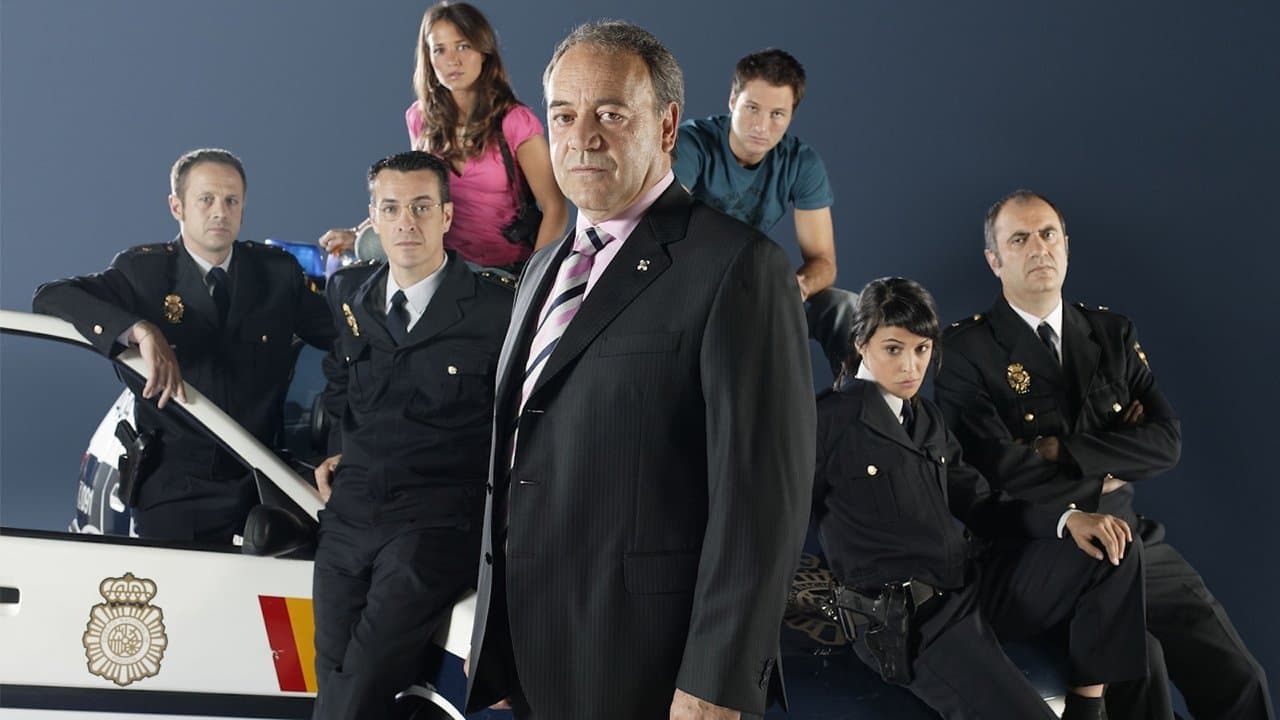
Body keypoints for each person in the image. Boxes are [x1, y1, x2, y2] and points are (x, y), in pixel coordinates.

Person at [465, 21, 814, 720]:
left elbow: (762, 503)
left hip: (652, 667)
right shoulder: (542, 268)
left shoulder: (738, 267)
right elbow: (521, 456)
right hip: (535, 652)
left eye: (611, 114)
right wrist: (494, 636)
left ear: (667, 126)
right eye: (564, 115)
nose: (582, 137)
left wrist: (717, 683)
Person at [935, 189, 1273, 720]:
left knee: (1239, 677)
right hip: (1041, 547)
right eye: (1019, 239)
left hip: (1129, 535)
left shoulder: (1111, 333)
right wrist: (1106, 469)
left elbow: (1166, 442)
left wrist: (1058, 450)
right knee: (1141, 669)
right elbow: (999, 469)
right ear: (994, 260)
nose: (1038, 248)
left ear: (1066, 246)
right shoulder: (964, 352)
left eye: (1048, 234)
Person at [816, 277, 1147, 720]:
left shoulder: (925, 418)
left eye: (922, 349)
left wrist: (1067, 520)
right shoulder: (826, 423)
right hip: (913, 623)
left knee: (1114, 547)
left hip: (970, 586)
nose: (911, 366)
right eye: (894, 349)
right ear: (862, 344)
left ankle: (1088, 710)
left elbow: (982, 504)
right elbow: (774, 527)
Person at [32, 148, 334, 543]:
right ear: (177, 206)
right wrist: (140, 329)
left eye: (231, 201)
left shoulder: (276, 274)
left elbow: (350, 343)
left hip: (263, 478)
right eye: (206, 199)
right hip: (176, 490)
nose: (220, 212)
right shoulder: (145, 272)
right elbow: (51, 296)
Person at [310, 151, 512, 719]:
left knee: (361, 681)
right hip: (350, 516)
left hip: (435, 525)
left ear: (447, 216)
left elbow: (523, 426)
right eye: (392, 208)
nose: (407, 223)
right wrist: (335, 450)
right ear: (373, 217)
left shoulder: (498, 306)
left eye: (422, 207)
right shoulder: (348, 292)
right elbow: (339, 380)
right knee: (334, 677)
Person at [318, 1, 567, 274]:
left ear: (484, 51)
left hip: (506, 271)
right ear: (428, 57)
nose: (452, 60)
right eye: (439, 50)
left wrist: (534, 279)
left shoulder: (514, 121)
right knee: (360, 267)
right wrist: (358, 234)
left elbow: (555, 207)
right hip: (442, 267)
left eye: (463, 46)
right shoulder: (420, 119)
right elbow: (414, 195)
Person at [673, 48, 855, 375]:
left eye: (777, 114)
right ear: (733, 100)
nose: (762, 126)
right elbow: (665, 230)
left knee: (845, 308)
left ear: (791, 116)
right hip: (687, 282)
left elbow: (824, 263)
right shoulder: (692, 144)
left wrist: (798, 286)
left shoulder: (801, 163)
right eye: (753, 108)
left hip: (754, 286)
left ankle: (859, 401)